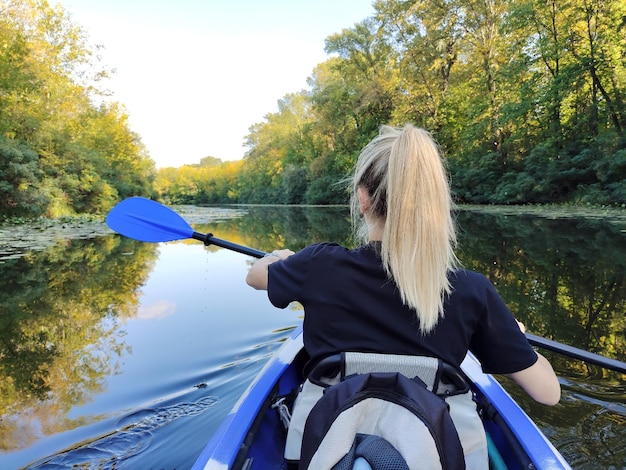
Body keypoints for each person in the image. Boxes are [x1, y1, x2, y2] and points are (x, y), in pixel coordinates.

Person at [246, 124, 561, 467]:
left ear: (363, 199)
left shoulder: (318, 266)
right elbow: (548, 393)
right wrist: (511, 334)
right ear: (436, 204)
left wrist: (282, 258)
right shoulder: (470, 290)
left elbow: (255, 277)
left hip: (325, 449)